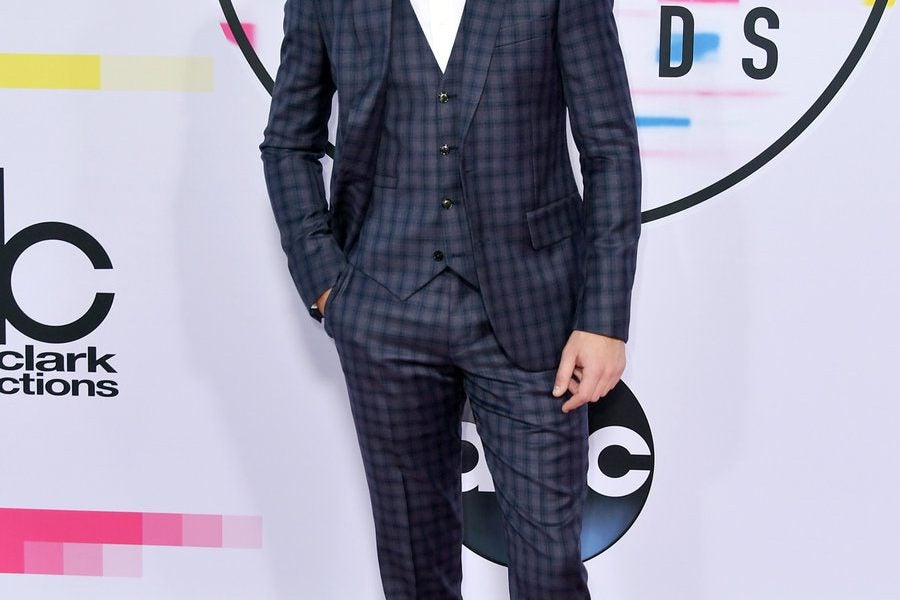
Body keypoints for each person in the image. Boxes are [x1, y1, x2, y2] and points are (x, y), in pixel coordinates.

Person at [260, 0, 641, 597]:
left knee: (550, 570)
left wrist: (604, 319)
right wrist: (328, 285)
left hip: (534, 308)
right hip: (383, 307)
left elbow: (609, 148)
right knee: (415, 571)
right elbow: (288, 142)